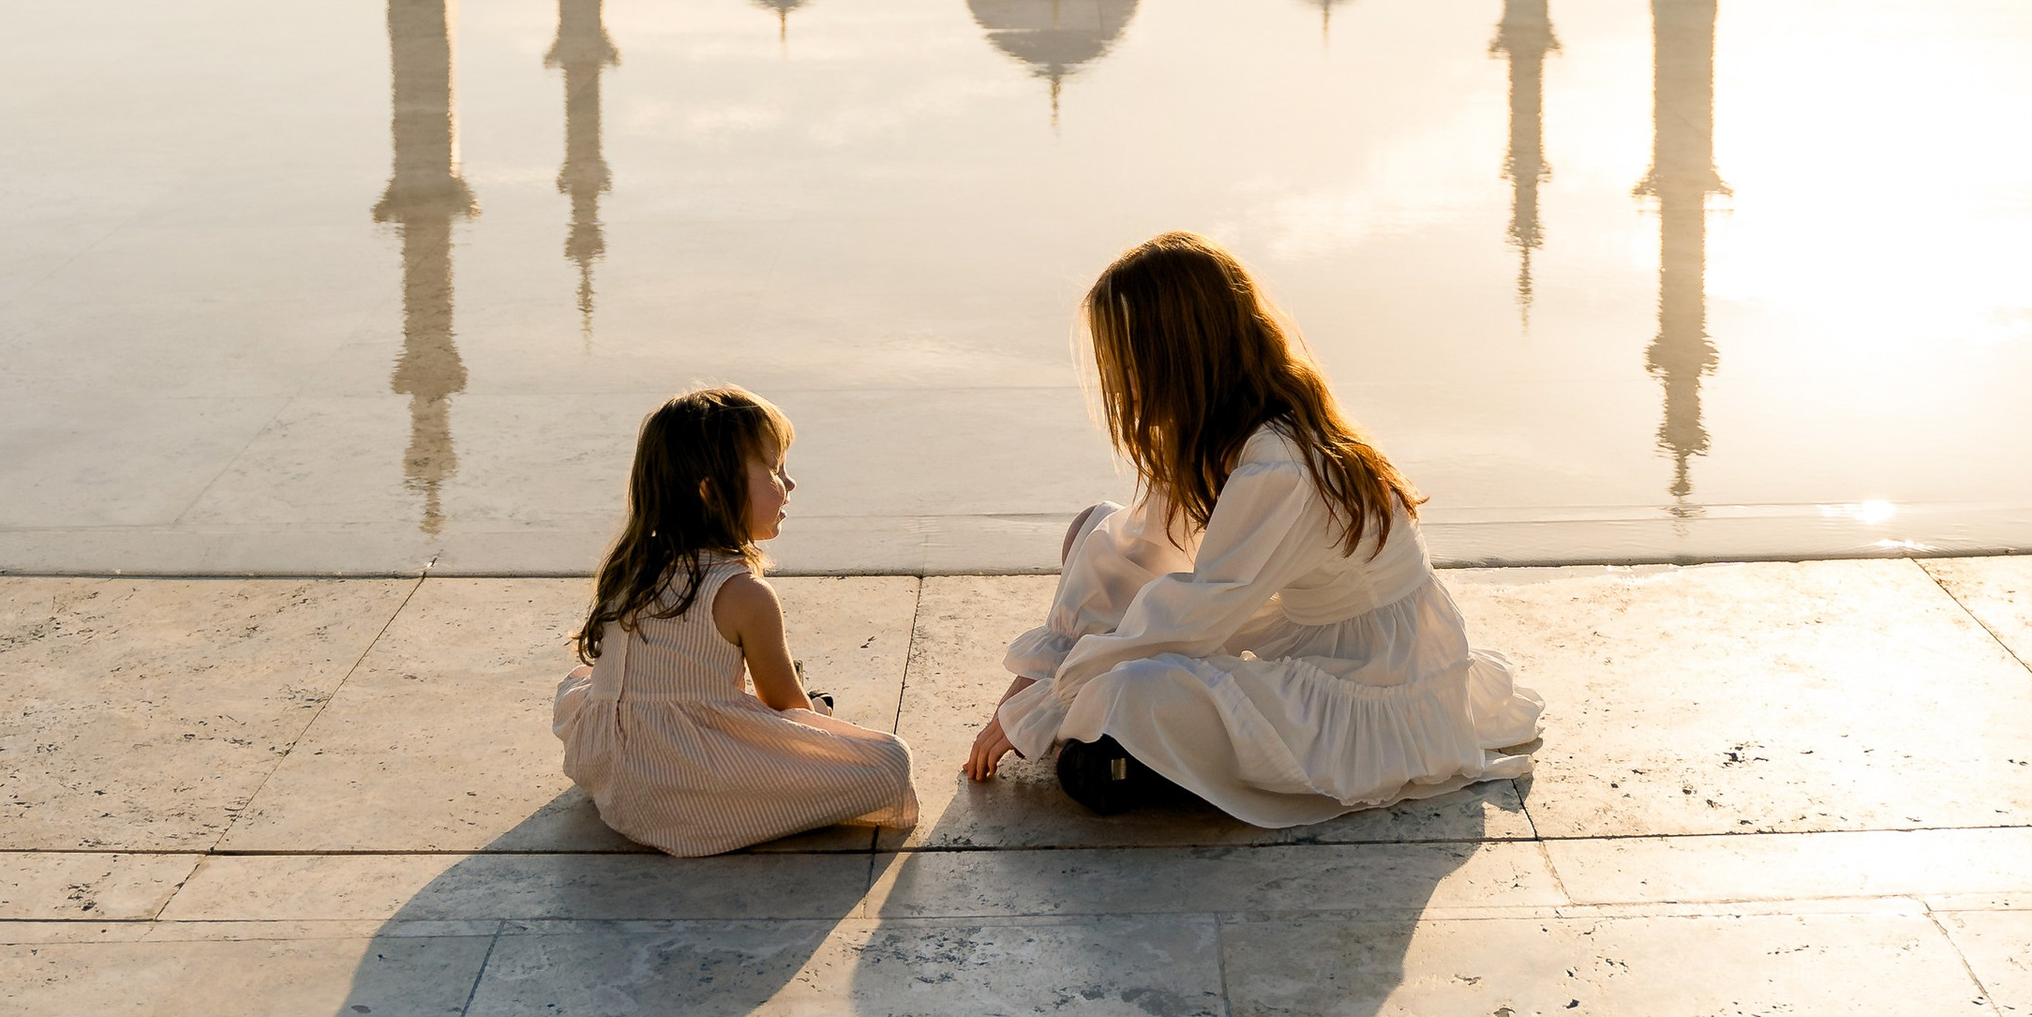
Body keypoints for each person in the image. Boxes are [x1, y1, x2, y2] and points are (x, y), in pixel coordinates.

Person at [964, 232, 1542, 824]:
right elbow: (1143, 554)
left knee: (1130, 692)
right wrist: (1024, 697)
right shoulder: (1219, 427)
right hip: (1299, 631)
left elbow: (1198, 614)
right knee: (1096, 532)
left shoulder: (1280, 462)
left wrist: (1047, 703)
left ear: (1170, 358)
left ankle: (1127, 757)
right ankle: (1124, 749)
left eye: (1125, 360)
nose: (1120, 382)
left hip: (1365, 674)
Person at [555, 385, 916, 856]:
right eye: (773, 471)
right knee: (890, 763)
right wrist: (816, 719)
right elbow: (787, 708)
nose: (789, 485)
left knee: (581, 683)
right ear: (711, 491)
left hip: (610, 770)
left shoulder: (631, 572)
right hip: (687, 783)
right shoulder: (743, 594)